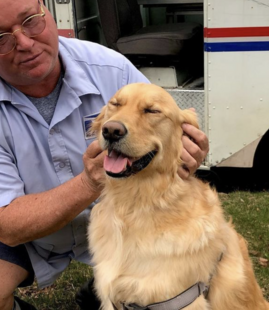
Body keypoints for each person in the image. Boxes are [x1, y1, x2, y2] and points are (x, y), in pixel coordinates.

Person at [0, 0, 209, 309]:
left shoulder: (111, 68)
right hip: (31, 237)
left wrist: (190, 146)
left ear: (48, 13)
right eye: (1, 37)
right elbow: (8, 225)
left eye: (31, 21)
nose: (25, 43)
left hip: (121, 217)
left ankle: (102, 286)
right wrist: (90, 182)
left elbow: (163, 125)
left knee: (170, 285)